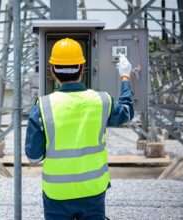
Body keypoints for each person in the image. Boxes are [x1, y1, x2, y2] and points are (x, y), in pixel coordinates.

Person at [25, 38, 134, 220]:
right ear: (82, 69)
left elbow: (34, 156)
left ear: (52, 71)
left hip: (57, 193)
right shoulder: (102, 101)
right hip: (93, 190)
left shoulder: (43, 107)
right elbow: (127, 112)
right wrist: (125, 77)